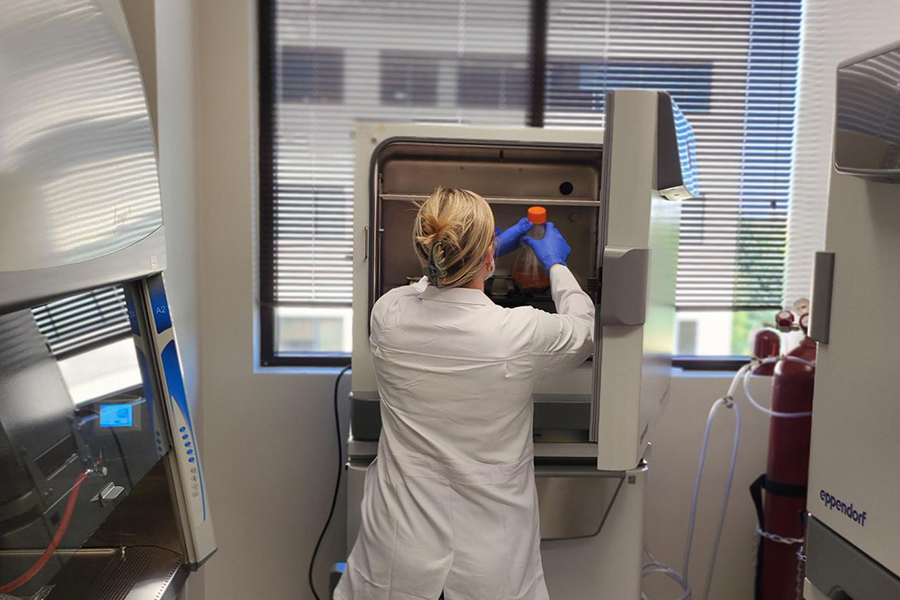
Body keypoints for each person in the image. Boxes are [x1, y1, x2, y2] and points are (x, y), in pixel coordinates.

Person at [334, 187, 594, 600]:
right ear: (490, 257)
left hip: (400, 551)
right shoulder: (519, 332)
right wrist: (557, 264)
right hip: (488, 560)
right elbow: (583, 329)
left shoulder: (388, 313)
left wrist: (477, 256)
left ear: (426, 253)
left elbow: (425, 286)